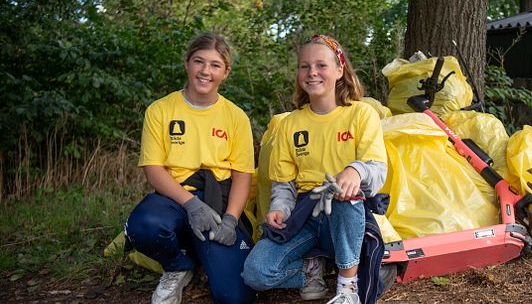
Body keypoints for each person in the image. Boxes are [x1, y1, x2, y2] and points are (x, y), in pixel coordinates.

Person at [242, 35, 388, 304]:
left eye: (321, 65)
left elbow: (377, 170)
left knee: (340, 194)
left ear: (339, 70)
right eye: (304, 66)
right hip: (305, 214)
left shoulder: (361, 114)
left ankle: (347, 288)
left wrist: (355, 171)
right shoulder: (290, 123)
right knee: (255, 273)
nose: (312, 73)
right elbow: (284, 185)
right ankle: (310, 269)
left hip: (346, 216)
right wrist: (280, 209)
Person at [125, 32, 256, 304]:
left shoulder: (235, 116)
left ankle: (202, 254)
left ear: (226, 72)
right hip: (173, 198)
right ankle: (177, 267)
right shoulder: (160, 110)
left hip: (216, 201)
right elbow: (153, 169)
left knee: (236, 296)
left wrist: (231, 219)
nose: (205, 71)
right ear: (187, 64)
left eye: (215, 65)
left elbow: (243, 175)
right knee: (143, 226)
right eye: (199, 61)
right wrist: (190, 205)